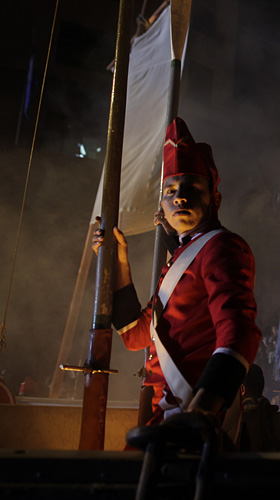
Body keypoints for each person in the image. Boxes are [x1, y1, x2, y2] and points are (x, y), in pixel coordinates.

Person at [94, 117, 261, 433]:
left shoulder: (222, 246)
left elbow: (238, 333)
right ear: (162, 204)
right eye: (170, 190)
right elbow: (135, 334)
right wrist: (119, 262)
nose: (179, 197)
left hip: (196, 419)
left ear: (215, 200)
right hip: (168, 414)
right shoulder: (182, 258)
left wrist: (204, 408)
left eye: (192, 188)